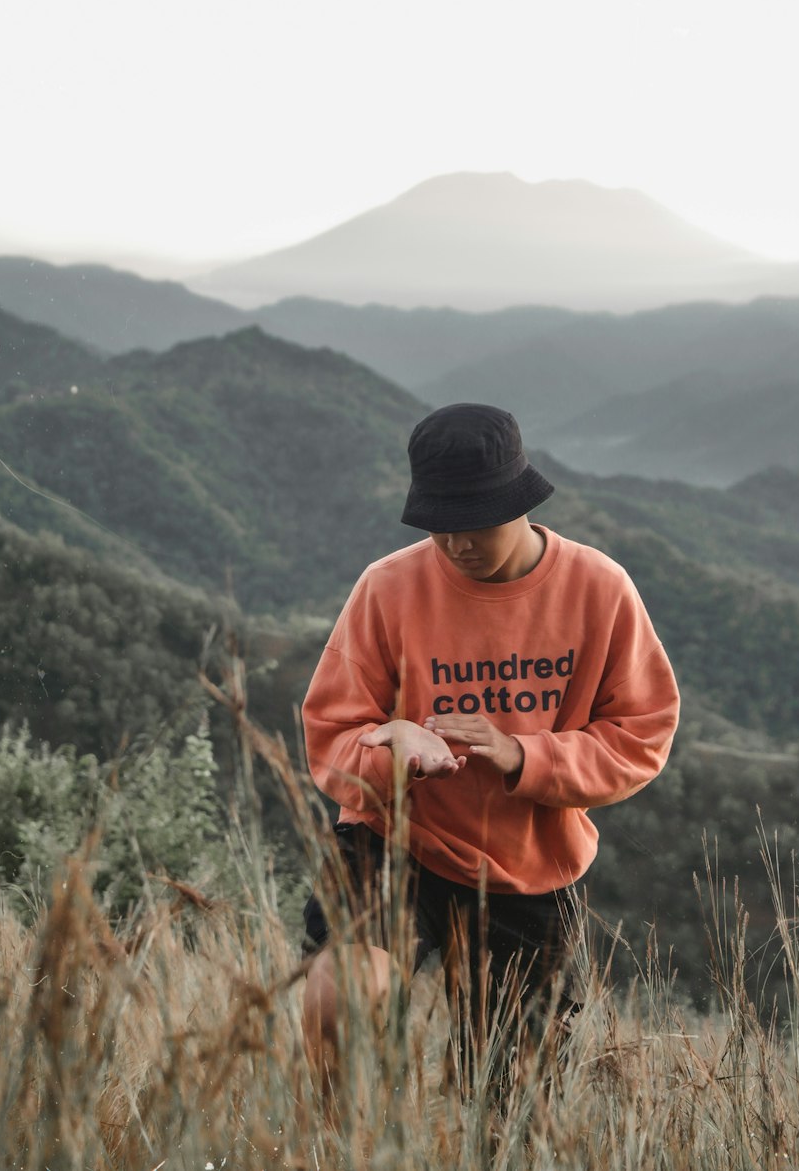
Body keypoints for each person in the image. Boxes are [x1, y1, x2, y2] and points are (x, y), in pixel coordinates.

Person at [300, 402, 679, 1093]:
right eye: (439, 525)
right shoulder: (388, 587)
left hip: (527, 866)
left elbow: (642, 734)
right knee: (339, 1000)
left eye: (474, 522)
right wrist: (394, 750)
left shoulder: (598, 589)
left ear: (519, 500)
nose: (455, 543)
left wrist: (524, 758)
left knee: (508, 1094)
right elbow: (330, 734)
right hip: (396, 839)